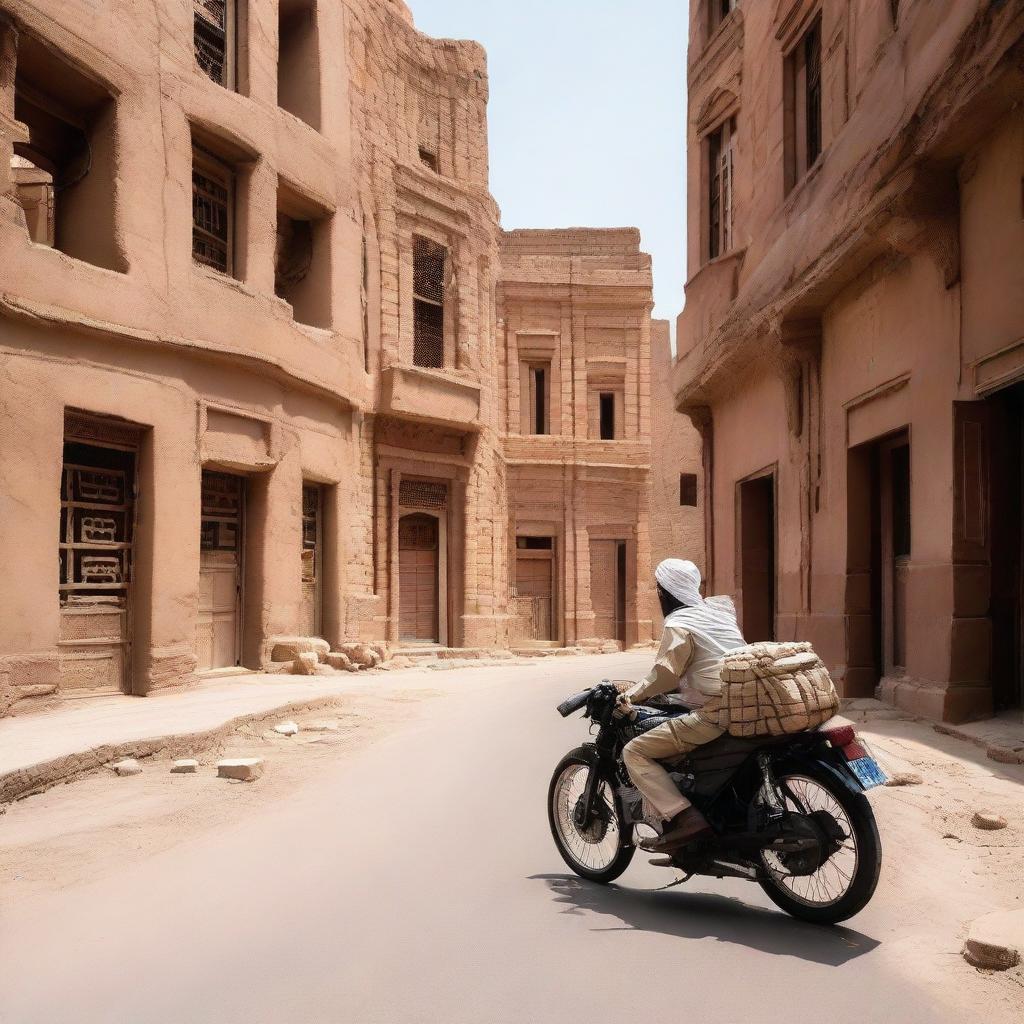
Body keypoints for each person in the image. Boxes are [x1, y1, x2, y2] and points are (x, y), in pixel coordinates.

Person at [618, 558, 746, 853]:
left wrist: (632, 695)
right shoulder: (719, 614)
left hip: (717, 712)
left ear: (664, 593)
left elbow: (665, 674)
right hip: (747, 701)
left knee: (634, 751)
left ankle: (685, 818)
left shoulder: (679, 623)